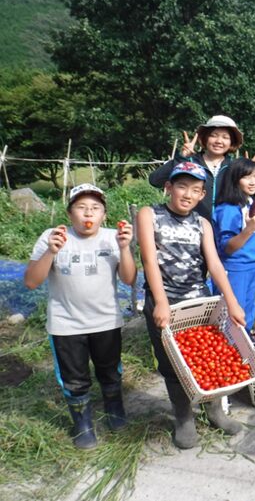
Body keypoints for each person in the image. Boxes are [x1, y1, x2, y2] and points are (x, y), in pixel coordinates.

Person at [137, 161, 247, 449]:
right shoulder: (150, 215)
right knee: (171, 363)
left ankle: (212, 411)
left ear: (201, 196)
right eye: (182, 186)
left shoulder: (202, 224)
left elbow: (214, 264)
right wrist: (160, 302)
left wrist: (232, 303)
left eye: (195, 190)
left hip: (198, 300)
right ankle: (184, 418)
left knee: (205, 359)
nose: (187, 194)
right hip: (164, 300)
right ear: (168, 187)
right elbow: (149, 259)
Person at [24, 184, 136, 450]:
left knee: (110, 371)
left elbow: (129, 279)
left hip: (106, 321)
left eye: (95, 208)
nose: (89, 213)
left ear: (104, 214)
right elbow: (31, 281)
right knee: (74, 378)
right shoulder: (53, 237)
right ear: (70, 213)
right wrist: (51, 251)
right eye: (81, 207)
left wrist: (125, 248)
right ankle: (82, 422)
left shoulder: (113, 238)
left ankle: (114, 407)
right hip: (66, 324)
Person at [211, 157, 255, 332]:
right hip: (234, 269)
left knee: (248, 313)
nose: (254, 181)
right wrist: (249, 229)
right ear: (235, 180)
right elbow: (227, 248)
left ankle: (244, 346)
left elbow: (247, 239)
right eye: (247, 177)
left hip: (250, 266)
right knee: (232, 315)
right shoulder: (228, 208)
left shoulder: (248, 202)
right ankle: (229, 350)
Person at [149, 115, 243, 221]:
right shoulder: (189, 162)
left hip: (226, 230)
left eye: (225, 137)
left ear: (231, 142)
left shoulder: (235, 167)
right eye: (214, 135)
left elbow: (253, 198)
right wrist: (181, 158)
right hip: (191, 227)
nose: (219, 141)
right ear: (205, 138)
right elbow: (155, 180)